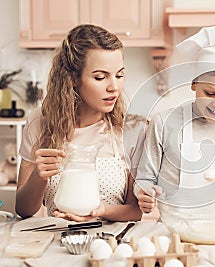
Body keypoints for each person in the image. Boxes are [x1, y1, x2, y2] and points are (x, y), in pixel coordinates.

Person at [134, 22, 215, 230]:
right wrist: (144, 193)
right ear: (194, 83)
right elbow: (145, 178)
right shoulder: (163, 123)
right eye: (210, 93)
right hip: (175, 229)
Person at [15, 24, 144, 222]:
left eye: (119, 75)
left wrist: (100, 211)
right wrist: (39, 177)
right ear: (73, 78)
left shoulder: (132, 130)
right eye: (100, 77)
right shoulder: (39, 122)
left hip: (112, 243)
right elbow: (23, 210)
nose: (114, 87)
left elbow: (135, 211)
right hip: (57, 242)